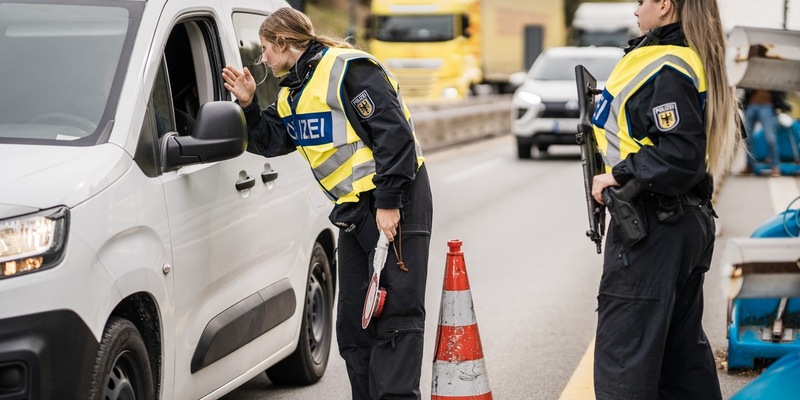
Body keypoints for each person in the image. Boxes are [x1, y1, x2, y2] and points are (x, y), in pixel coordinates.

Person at [221, 7, 433, 400]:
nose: (263, 57)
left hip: (396, 199)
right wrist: (249, 104)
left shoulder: (348, 69)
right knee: (354, 324)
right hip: (354, 213)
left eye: (266, 48)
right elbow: (271, 140)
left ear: (284, 43)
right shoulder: (292, 94)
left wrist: (388, 203)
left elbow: (395, 137)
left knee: (397, 318)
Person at [588, 0, 739, 399]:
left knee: (627, 361)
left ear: (666, 6)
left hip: (653, 225)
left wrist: (619, 175)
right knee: (680, 361)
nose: (635, 8)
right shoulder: (678, 56)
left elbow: (680, 155)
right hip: (677, 222)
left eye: (642, 1)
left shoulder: (665, 64)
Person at [741, 88, 790, 177]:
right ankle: (749, 166)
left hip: (767, 105)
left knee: (770, 139)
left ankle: (775, 167)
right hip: (751, 105)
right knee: (747, 138)